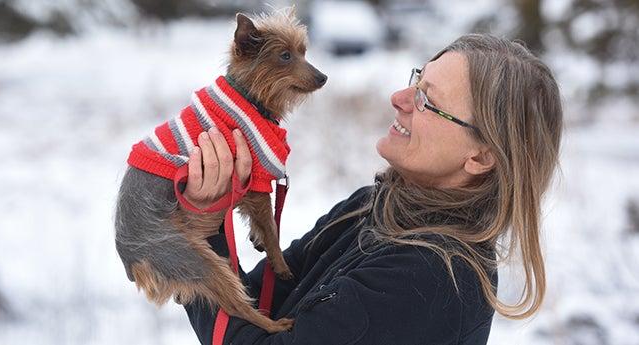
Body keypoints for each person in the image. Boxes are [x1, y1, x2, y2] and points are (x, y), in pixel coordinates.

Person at [179, 33, 563, 344]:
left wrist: (196, 233)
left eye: (428, 100)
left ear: (480, 157)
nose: (399, 99)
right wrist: (205, 222)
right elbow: (259, 302)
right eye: (418, 80)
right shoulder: (373, 206)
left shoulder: (429, 279)